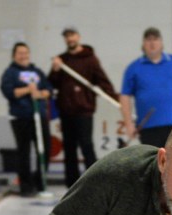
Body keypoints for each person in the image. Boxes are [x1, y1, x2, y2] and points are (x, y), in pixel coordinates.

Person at [49, 27, 120, 188]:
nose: (70, 39)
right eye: (67, 37)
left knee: (87, 146)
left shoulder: (90, 59)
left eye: (72, 36)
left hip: (84, 111)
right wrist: (55, 69)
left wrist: (116, 99)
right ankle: (71, 184)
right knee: (69, 148)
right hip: (66, 110)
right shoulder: (61, 60)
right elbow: (51, 83)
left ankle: (93, 182)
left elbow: (102, 80)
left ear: (78, 37)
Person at [120, 27, 172, 148]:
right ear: (143, 44)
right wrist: (128, 123)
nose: (152, 43)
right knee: (154, 163)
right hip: (149, 127)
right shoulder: (133, 68)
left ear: (161, 43)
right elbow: (125, 96)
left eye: (155, 39)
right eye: (148, 40)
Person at [0, 42, 52, 196]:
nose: (23, 56)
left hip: (39, 115)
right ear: (14, 55)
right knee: (24, 151)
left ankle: (40, 182)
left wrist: (40, 94)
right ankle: (26, 185)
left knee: (44, 149)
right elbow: (8, 92)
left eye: (25, 52)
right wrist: (28, 90)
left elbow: (48, 90)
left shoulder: (37, 72)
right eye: (20, 53)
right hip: (21, 117)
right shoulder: (10, 72)